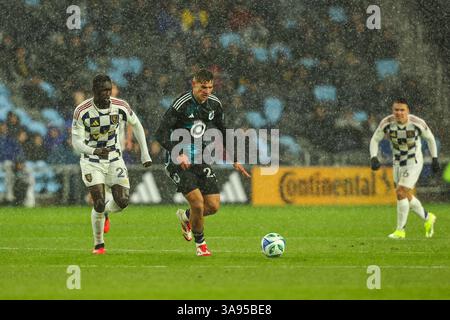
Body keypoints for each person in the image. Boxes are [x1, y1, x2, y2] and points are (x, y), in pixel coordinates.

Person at [155, 69, 250, 256]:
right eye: (203, 87)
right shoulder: (181, 105)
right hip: (178, 161)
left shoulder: (214, 104)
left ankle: (186, 217)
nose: (206, 91)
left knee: (213, 206)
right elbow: (160, 133)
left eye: (210, 87)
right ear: (194, 84)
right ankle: (201, 245)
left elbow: (223, 131)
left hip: (201, 158)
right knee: (198, 203)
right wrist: (178, 152)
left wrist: (234, 158)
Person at [71, 74, 152, 254]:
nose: (108, 94)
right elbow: (76, 144)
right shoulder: (82, 111)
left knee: (122, 201)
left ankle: (105, 212)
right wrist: (94, 151)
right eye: (103, 91)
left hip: (115, 159)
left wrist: (145, 154)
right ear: (94, 92)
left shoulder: (120, 106)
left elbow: (137, 125)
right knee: (98, 201)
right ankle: (99, 244)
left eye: (109, 90)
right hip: (92, 161)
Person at [369, 98, 440, 239]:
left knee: (400, 191)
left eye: (402, 110)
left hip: (414, 161)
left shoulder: (417, 123)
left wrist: (435, 158)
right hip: (397, 162)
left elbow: (430, 138)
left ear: (408, 111)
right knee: (404, 194)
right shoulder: (387, 123)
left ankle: (400, 230)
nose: (399, 113)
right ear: (392, 110)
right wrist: (373, 157)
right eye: (396, 110)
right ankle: (428, 217)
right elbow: (375, 139)